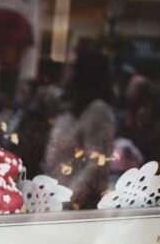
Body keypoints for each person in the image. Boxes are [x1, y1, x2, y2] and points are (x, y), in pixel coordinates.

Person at [42, 49, 116, 209]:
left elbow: (95, 164)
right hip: (55, 198)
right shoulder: (71, 110)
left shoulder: (98, 111)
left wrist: (66, 200)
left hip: (74, 208)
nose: (66, 71)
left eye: (72, 67)